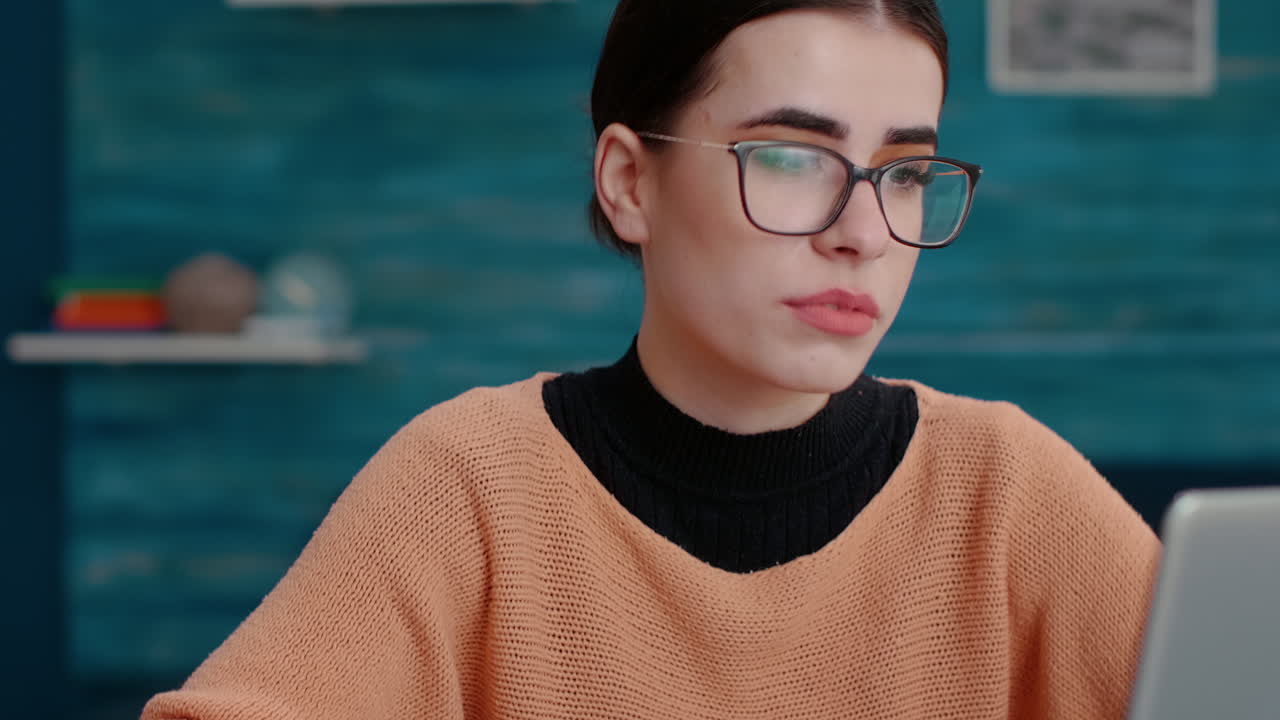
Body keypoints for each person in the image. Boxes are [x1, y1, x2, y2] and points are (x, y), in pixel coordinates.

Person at [142, 1, 1160, 718]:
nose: (862, 233)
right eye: (791, 158)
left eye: (904, 173)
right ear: (630, 182)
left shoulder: (1009, 492)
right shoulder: (468, 485)